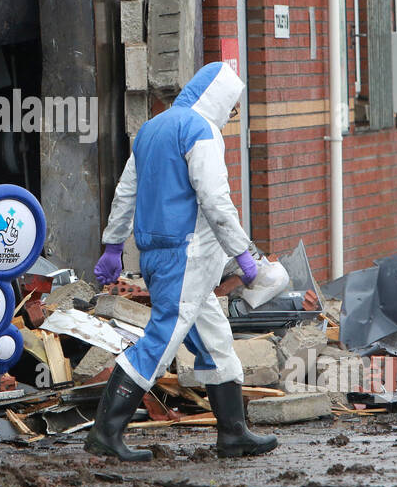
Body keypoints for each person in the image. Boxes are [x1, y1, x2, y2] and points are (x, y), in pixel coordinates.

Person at [87, 62, 278, 461]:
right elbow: (214, 200)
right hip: (187, 257)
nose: (231, 114)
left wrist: (112, 245)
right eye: (232, 105)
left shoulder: (152, 129)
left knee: (215, 340)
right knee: (161, 340)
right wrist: (243, 254)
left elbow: (125, 193)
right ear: (220, 98)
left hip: (159, 256)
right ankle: (106, 433)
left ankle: (233, 433)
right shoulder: (201, 130)